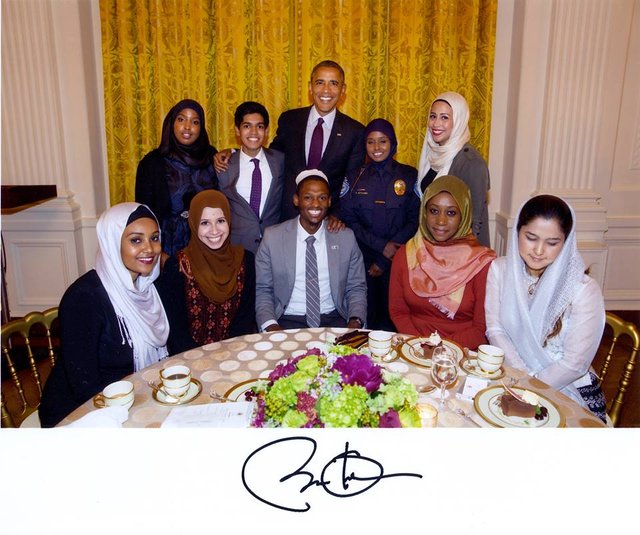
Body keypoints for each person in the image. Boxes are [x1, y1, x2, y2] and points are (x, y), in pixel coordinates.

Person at [39, 203, 169, 427]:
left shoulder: (149, 290)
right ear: (112, 242)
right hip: (81, 412)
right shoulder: (84, 298)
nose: (149, 248)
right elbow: (83, 385)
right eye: (136, 240)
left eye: (154, 238)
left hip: (131, 400)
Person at [485, 195, 607, 421]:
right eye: (531, 237)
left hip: (565, 388)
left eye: (552, 243)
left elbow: (575, 364)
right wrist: (522, 377)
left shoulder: (582, 290)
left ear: (566, 241)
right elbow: (495, 329)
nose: (539, 250)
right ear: (517, 232)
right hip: (512, 375)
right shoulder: (500, 270)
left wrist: (532, 385)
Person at [215, 60, 365, 221]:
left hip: (328, 222)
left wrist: (337, 215)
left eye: (333, 83)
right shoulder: (290, 120)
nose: (326, 90)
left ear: (343, 90)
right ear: (310, 87)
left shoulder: (355, 132)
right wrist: (234, 153)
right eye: (320, 82)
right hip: (287, 219)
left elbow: (352, 183)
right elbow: (269, 157)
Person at [389, 175, 496, 349]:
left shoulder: (481, 263)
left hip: (462, 353)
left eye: (451, 213)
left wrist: (440, 349)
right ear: (424, 212)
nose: (440, 221)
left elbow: (481, 328)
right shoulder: (406, 254)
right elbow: (398, 312)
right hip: (413, 347)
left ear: (464, 214)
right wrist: (419, 345)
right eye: (434, 211)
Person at [255, 170, 367, 331]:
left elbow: (356, 287)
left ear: (329, 201)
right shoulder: (272, 237)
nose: (315, 204)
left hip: (335, 319)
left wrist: (355, 322)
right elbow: (263, 290)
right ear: (296, 200)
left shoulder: (345, 238)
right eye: (308, 197)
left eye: (322, 198)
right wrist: (271, 326)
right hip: (286, 321)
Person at [339, 118, 419, 330]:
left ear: (393, 144)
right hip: (363, 262)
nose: (376, 147)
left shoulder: (410, 176)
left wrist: (386, 257)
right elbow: (348, 219)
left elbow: (415, 220)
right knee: (367, 317)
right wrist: (380, 248)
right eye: (371, 142)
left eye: (382, 141)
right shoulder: (354, 178)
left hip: (399, 262)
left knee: (396, 319)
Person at [156, 190, 256, 354]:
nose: (214, 230)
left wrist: (228, 355)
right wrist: (205, 360)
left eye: (220, 221)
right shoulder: (178, 266)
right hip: (189, 359)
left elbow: (244, 322)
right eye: (205, 223)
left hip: (235, 355)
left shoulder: (245, 261)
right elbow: (176, 331)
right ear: (194, 224)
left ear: (229, 221)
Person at [135, 98, 218, 257]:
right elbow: (143, 213)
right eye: (181, 119)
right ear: (171, 123)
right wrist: (158, 252)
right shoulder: (152, 163)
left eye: (195, 122)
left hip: (207, 244)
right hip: (166, 247)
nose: (187, 127)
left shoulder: (211, 158)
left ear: (201, 128)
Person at [415, 91, 491, 246]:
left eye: (444, 117)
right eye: (433, 116)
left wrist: (459, 260)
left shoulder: (471, 163)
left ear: (459, 120)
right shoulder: (432, 155)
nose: (436, 124)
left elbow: (474, 223)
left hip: (459, 252)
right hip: (433, 245)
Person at [216, 101, 285, 254]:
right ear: (237, 130)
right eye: (247, 126)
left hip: (275, 247)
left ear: (266, 131)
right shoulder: (223, 165)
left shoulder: (281, 161)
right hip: (237, 248)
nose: (254, 132)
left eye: (259, 126)